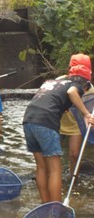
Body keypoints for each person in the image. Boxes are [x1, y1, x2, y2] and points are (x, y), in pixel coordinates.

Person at [23, 53, 94, 203]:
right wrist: (87, 114)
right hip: (46, 123)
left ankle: (46, 204)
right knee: (56, 169)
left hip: (29, 119)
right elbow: (71, 92)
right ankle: (56, 209)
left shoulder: (53, 82)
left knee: (41, 167)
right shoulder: (76, 85)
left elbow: (49, 100)